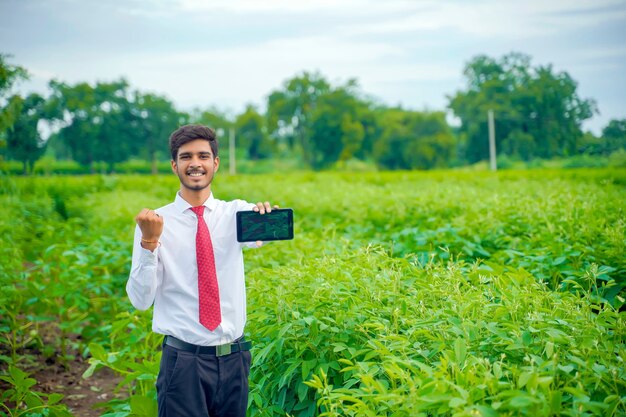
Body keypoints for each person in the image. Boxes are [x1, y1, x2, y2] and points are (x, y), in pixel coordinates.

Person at [126, 124, 276, 417]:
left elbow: (266, 235)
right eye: (186, 157)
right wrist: (149, 243)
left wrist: (265, 216)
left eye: (203, 156)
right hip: (183, 363)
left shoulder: (235, 213)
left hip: (234, 359)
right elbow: (141, 300)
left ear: (215, 163)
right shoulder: (155, 223)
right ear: (174, 165)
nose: (195, 163)